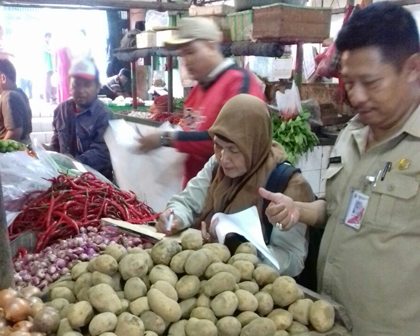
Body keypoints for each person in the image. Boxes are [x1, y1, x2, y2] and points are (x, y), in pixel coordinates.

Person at [261, 3, 420, 335]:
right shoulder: (353, 133)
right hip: (329, 320)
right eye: (348, 82)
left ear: (413, 69)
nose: (356, 96)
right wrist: (299, 209)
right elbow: (341, 210)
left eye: (370, 82)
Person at [156, 94, 315, 276]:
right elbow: (186, 202)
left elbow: (292, 259)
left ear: (254, 145)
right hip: (212, 273)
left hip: (257, 290)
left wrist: (238, 252)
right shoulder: (216, 166)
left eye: (234, 150)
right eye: (218, 146)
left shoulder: (288, 185)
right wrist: (173, 219)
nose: (224, 158)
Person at [138, 18, 265, 187]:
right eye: (182, 55)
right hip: (197, 195)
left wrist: (166, 139)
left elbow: (228, 140)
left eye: (191, 52)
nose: (186, 62)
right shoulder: (196, 92)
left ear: (211, 46)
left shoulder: (239, 83)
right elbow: (191, 135)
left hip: (228, 195)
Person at [50, 58, 112, 180]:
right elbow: (56, 141)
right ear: (69, 85)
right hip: (65, 179)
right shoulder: (61, 110)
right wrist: (50, 158)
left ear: (98, 87)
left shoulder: (105, 116)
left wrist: (71, 164)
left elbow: (101, 153)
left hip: (96, 183)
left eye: (87, 85)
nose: (80, 90)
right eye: (76, 84)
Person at [0, 59, 32, 142]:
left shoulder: (9, 97)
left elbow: (15, 132)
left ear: (3, 78)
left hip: (11, 153)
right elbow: (3, 117)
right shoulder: (18, 93)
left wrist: (0, 149)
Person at [43, 33, 57, 104]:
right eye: (49, 37)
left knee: (50, 83)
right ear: (46, 37)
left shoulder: (47, 45)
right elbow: (51, 52)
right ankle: (48, 98)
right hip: (47, 67)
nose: (50, 39)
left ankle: (52, 98)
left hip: (50, 67)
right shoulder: (43, 45)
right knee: (48, 83)